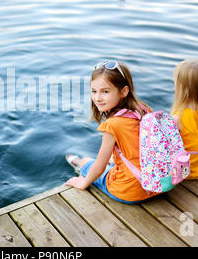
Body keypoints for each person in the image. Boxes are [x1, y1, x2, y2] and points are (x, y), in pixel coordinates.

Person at [65, 61, 158, 204]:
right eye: (94, 91)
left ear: (124, 91)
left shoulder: (112, 125)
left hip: (130, 191)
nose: (97, 98)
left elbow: (99, 168)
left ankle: (78, 163)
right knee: (112, 159)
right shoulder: (143, 110)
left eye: (105, 91)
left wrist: (82, 184)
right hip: (156, 184)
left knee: (88, 162)